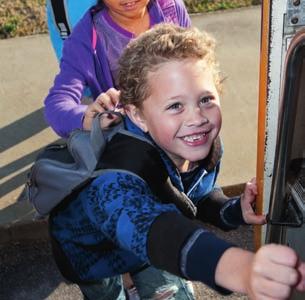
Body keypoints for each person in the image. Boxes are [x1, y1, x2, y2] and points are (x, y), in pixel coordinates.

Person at [48, 24, 305, 299]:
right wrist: (241, 270)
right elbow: (157, 233)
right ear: (138, 116)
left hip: (149, 250)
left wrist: (234, 210)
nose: (197, 119)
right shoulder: (116, 176)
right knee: (107, 292)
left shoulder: (203, 146)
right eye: (175, 106)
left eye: (206, 99)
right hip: (93, 256)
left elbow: (197, 198)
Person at [44, 0, 191, 138]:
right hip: (136, 141)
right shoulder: (86, 38)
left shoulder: (172, 9)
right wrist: (87, 119)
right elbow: (57, 104)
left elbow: (196, 65)